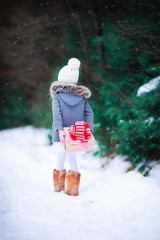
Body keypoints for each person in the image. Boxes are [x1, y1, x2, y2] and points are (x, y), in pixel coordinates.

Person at [50, 57, 93, 196]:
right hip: (77, 131)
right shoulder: (81, 96)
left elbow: (56, 113)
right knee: (72, 157)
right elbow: (89, 113)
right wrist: (88, 129)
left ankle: (58, 186)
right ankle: (73, 188)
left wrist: (59, 129)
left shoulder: (57, 94)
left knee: (61, 156)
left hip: (61, 131)